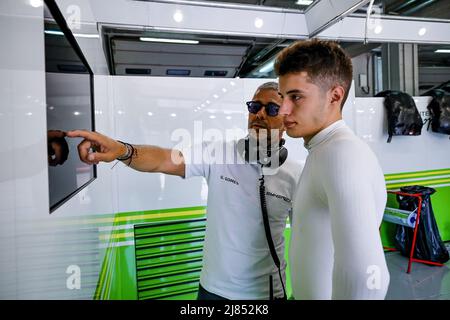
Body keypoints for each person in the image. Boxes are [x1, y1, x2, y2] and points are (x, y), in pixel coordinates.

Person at [66, 82, 301, 300]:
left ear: (286, 119)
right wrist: (121, 150)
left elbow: (307, 244)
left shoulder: (295, 175)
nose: (259, 114)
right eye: (254, 106)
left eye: (271, 109)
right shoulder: (217, 154)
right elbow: (163, 159)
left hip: (266, 295)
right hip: (212, 290)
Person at [274, 39, 390, 299]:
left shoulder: (341, 154)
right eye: (283, 97)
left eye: (296, 97)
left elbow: (368, 275)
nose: (283, 109)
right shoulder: (323, 150)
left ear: (335, 96)